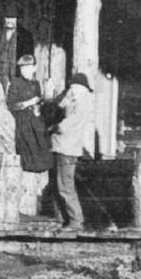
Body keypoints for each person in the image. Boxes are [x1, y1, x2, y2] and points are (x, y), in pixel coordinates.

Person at [50, 72, 95, 230]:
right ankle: (68, 218)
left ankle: (76, 220)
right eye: (72, 87)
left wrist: (54, 127)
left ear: (81, 88)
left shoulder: (81, 103)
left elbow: (66, 125)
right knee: (62, 184)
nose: (72, 90)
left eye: (75, 87)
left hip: (67, 148)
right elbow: (61, 107)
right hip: (64, 146)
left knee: (65, 186)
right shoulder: (78, 100)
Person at [7, 55, 54, 176]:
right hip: (23, 122)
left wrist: (40, 105)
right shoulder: (16, 83)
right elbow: (11, 105)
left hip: (36, 120)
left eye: (27, 68)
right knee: (30, 151)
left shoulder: (36, 84)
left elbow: (39, 103)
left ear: (34, 68)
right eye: (22, 68)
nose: (24, 71)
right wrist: (29, 103)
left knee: (43, 148)